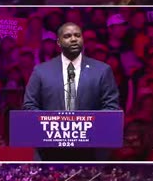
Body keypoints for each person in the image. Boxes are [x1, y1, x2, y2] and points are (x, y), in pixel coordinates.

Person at [20, 21, 122, 161]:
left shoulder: (102, 70)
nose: (73, 39)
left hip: (90, 150)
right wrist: (57, 124)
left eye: (77, 35)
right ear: (59, 42)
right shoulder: (41, 71)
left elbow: (111, 108)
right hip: (50, 150)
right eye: (67, 36)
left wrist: (82, 125)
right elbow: (29, 107)